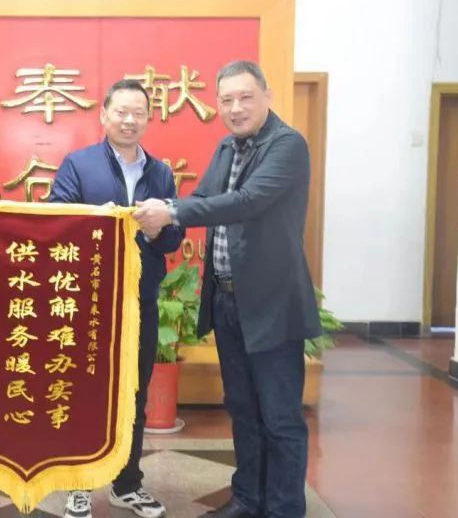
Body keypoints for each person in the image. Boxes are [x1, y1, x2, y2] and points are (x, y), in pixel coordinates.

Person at [133, 61, 321, 518]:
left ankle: (283, 509)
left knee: (279, 416)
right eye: (227, 100)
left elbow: (247, 202)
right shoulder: (226, 147)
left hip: (271, 304)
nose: (236, 108)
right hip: (227, 300)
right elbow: (203, 198)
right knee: (242, 408)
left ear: (267, 97)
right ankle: (249, 499)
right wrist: (165, 210)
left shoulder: (288, 145)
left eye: (245, 97)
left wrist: (171, 212)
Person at [48, 79, 185, 518]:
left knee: (134, 393)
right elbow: (56, 223)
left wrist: (158, 230)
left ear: (148, 118)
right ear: (103, 115)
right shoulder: (79, 164)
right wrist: (98, 223)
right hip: (88, 304)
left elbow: (174, 239)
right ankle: (80, 486)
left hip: (139, 301)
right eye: (121, 112)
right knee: (83, 393)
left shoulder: (160, 172)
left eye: (138, 113)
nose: (129, 120)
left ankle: (127, 484)